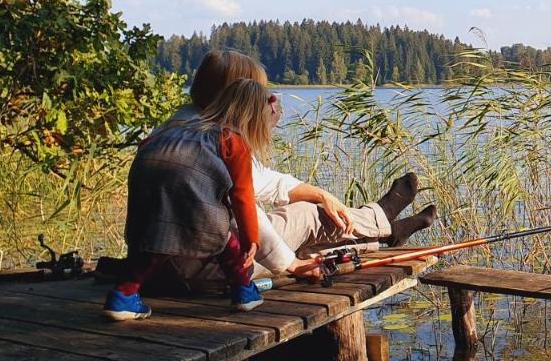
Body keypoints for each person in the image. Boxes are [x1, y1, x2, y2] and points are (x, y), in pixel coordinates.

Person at [170, 50, 436, 285]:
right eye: (259, 96)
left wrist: (322, 194)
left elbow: (262, 182)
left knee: (308, 244)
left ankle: (386, 234)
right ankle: (383, 220)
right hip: (212, 268)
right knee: (308, 218)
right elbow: (249, 213)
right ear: (237, 95)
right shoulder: (217, 141)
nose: (264, 103)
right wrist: (292, 265)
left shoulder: (182, 128)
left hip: (175, 265)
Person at [103, 79, 278, 320]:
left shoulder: (179, 127)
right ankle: (243, 291)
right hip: (187, 188)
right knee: (222, 236)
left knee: (156, 239)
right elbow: (241, 196)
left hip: (146, 174)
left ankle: (123, 295)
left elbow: (147, 145)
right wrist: (252, 239)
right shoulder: (231, 139)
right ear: (253, 118)